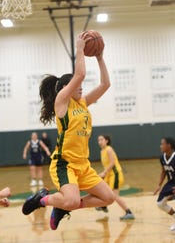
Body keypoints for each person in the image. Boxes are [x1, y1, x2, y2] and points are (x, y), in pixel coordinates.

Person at [22, 33, 115, 230]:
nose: (81, 86)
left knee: (108, 198)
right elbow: (80, 74)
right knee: (71, 200)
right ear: (65, 88)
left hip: (83, 164)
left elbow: (105, 84)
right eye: (76, 84)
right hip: (65, 164)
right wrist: (80, 49)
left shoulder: (82, 103)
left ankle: (61, 207)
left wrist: (99, 57)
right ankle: (43, 199)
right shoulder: (62, 102)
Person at [96, 135, 135, 220]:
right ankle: (104, 206)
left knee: (114, 195)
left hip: (115, 174)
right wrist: (104, 174)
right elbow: (106, 165)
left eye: (101, 139)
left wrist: (104, 173)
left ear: (106, 141)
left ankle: (129, 212)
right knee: (104, 190)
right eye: (98, 140)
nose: (100, 142)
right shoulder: (102, 151)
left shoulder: (109, 149)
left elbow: (112, 163)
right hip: (109, 175)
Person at [154, 137, 175, 231]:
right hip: (171, 183)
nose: (160, 146)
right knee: (160, 203)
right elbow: (163, 171)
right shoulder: (162, 157)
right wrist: (159, 185)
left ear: (169, 145)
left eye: (162, 144)